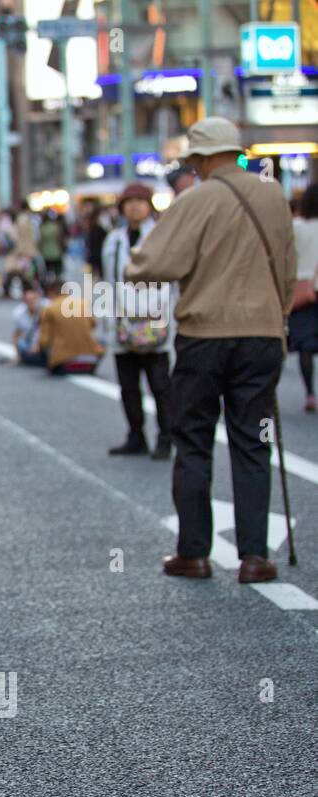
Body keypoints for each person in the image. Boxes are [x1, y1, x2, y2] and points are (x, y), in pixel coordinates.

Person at [125, 117, 296, 584]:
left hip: (205, 336)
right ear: (236, 151)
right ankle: (256, 557)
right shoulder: (273, 196)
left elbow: (150, 265)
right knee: (254, 444)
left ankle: (194, 553)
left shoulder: (195, 200)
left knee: (194, 441)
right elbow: (286, 269)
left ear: (199, 160)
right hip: (261, 336)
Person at [99, 182, 173, 458]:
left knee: (160, 385)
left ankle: (166, 437)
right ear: (121, 208)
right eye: (129, 202)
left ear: (150, 205)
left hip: (155, 318)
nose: (135, 206)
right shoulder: (113, 239)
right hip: (123, 320)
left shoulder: (161, 236)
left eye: (140, 201)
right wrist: (105, 318)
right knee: (128, 386)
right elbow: (106, 278)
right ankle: (136, 436)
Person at [286, 183, 318, 412]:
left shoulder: (295, 227)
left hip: (301, 289)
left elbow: (287, 258)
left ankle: (309, 393)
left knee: (306, 345)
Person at [36, 279, 103, 374]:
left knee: (25, 348)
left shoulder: (49, 309)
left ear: (51, 293)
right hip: (90, 359)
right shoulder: (83, 303)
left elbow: (43, 341)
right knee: (102, 340)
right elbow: (93, 325)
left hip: (62, 362)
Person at [4, 283, 46, 367]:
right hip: (30, 343)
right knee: (22, 344)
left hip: (45, 342)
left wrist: (38, 345)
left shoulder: (46, 308)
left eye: (34, 300)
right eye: (29, 301)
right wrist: (17, 356)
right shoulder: (19, 313)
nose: (32, 303)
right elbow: (16, 335)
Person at [38, 208, 64, 284]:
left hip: (45, 253)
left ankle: (50, 286)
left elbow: (40, 241)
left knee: (48, 272)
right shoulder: (55, 226)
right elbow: (60, 239)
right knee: (57, 272)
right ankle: (57, 286)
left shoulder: (42, 228)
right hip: (56, 252)